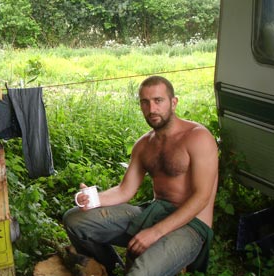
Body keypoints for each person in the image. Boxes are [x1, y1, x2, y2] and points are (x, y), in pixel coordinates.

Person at [63, 76, 219, 276]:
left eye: (158, 100)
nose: (152, 109)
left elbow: (201, 198)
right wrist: (94, 199)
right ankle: (108, 268)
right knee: (74, 219)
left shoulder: (198, 137)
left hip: (191, 225)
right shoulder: (144, 144)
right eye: (145, 102)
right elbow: (124, 190)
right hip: (153, 212)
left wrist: (156, 232)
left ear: (173, 102)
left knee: (140, 272)